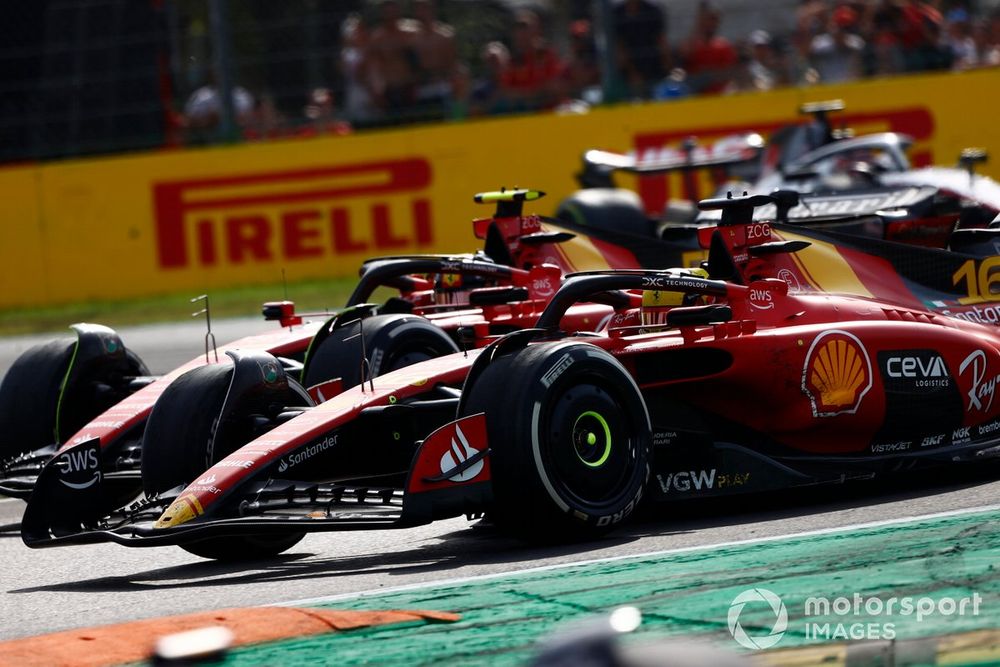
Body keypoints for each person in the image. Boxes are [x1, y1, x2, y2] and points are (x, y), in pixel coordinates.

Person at [498, 10, 565, 112]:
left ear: (537, 31)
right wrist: (533, 92)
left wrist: (526, 93)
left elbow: (554, 87)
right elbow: (506, 92)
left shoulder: (547, 54)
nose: (522, 33)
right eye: (518, 29)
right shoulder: (513, 61)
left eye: (526, 28)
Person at [366, 0, 419, 116]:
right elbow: (374, 67)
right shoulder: (377, 38)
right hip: (389, 90)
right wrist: (376, 92)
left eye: (393, 10)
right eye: (387, 11)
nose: (391, 14)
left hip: (410, 87)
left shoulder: (411, 32)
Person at [612, 0, 671, 98]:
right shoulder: (616, 13)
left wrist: (668, 64)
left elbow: (661, 40)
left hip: (654, 64)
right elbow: (619, 47)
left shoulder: (652, 10)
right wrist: (631, 73)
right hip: (629, 67)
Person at [679, 1, 738, 95]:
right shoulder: (692, 43)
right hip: (696, 96)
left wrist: (708, 74)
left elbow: (729, 72)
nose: (711, 23)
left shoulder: (724, 46)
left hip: (718, 96)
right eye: (708, 19)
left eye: (714, 19)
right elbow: (685, 56)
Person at [411, 0, 458, 114]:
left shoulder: (444, 36)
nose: (422, 13)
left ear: (432, 10)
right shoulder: (412, 37)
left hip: (442, 86)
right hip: (422, 88)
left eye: (424, 9)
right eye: (419, 9)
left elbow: (452, 64)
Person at [809, 4, 866, 83]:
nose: (840, 30)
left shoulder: (855, 42)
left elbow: (858, 55)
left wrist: (842, 43)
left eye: (843, 27)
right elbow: (807, 56)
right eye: (838, 26)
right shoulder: (820, 43)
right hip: (826, 88)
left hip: (851, 87)